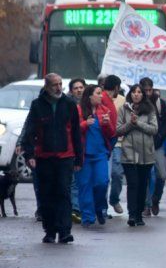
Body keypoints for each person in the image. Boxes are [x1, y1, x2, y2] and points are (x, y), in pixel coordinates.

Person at [21, 73, 83, 243]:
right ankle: (50, 230)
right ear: (47, 87)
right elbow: (30, 131)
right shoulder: (37, 105)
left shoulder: (69, 104)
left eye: (60, 84)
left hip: (65, 156)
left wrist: (79, 158)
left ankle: (64, 231)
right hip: (44, 156)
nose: (58, 87)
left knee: (63, 193)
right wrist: (29, 154)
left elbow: (76, 132)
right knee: (47, 194)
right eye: (55, 84)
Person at [75, 85, 117, 228]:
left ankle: (99, 208)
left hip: (100, 154)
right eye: (98, 93)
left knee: (102, 183)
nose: (101, 96)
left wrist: (106, 125)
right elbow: (72, 130)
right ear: (90, 96)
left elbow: (112, 133)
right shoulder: (79, 110)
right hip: (84, 155)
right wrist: (85, 124)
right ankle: (88, 217)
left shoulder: (105, 111)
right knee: (85, 185)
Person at [116, 85, 158, 226]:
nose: (136, 94)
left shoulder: (150, 110)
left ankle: (139, 213)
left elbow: (154, 129)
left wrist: (138, 123)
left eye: (139, 92)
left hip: (146, 154)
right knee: (132, 184)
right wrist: (130, 123)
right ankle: (132, 214)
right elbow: (118, 130)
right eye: (134, 92)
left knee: (142, 185)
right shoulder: (124, 109)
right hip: (129, 152)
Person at [140, 77, 166, 217]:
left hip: (157, 144)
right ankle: (146, 205)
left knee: (162, 174)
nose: (147, 93)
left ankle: (155, 199)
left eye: (149, 90)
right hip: (142, 144)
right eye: (144, 90)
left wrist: (159, 137)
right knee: (147, 176)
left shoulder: (160, 103)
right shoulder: (136, 103)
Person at [103, 75, 125, 215]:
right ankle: (102, 207)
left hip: (118, 142)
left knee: (117, 173)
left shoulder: (122, 100)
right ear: (116, 87)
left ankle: (114, 199)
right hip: (104, 143)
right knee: (104, 177)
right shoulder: (102, 99)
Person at [67, 78, 86, 224]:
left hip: (85, 147)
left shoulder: (89, 104)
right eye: (76, 88)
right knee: (72, 180)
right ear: (71, 90)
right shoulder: (67, 105)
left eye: (81, 87)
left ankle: (79, 208)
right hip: (70, 147)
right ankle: (74, 209)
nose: (79, 90)